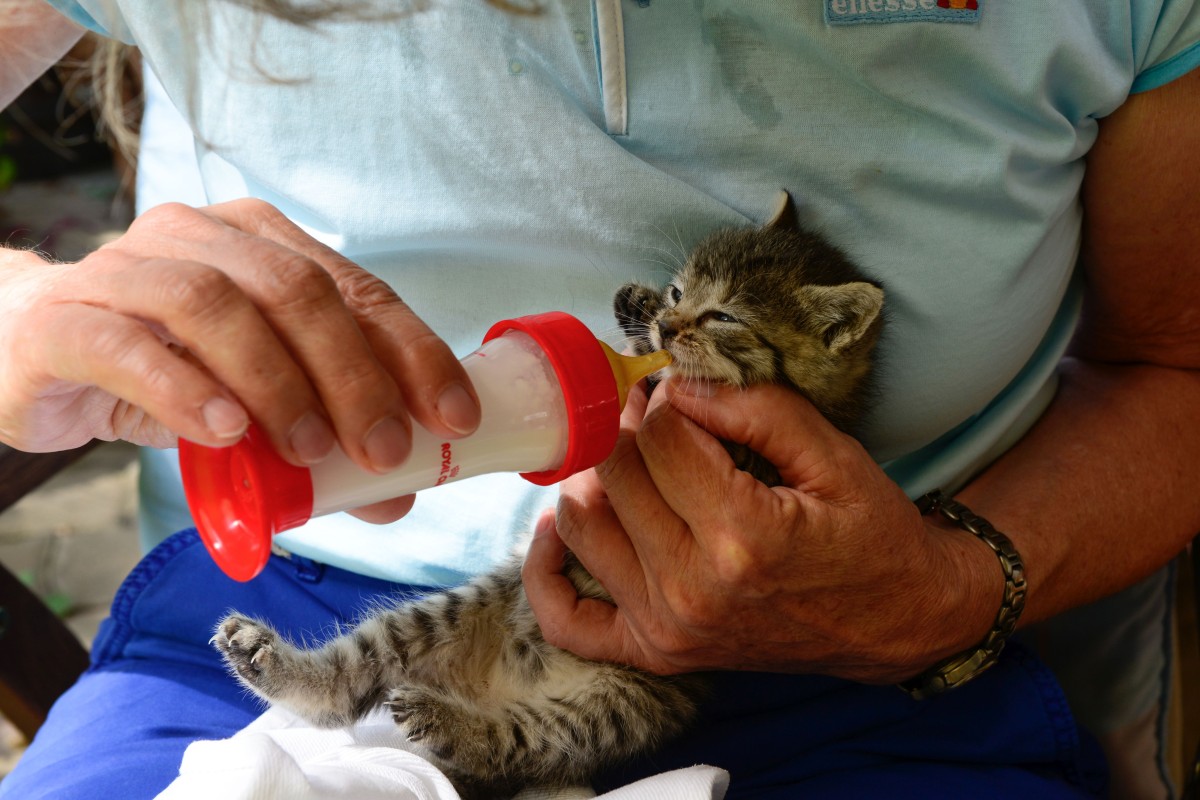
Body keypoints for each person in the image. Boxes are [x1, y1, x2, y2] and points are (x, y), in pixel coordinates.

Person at [1, 0, 1198, 797]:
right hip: (281, 593)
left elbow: (1177, 370)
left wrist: (943, 586)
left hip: (863, 661)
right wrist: (18, 317)